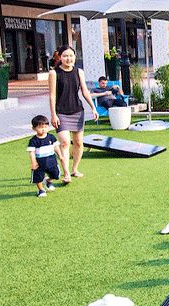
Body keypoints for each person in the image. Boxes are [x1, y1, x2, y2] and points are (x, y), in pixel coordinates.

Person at [48, 46, 98, 183]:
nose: (68, 58)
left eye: (71, 56)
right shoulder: (54, 73)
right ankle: (66, 173)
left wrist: (93, 107)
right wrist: (53, 115)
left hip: (77, 111)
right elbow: (52, 96)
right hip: (61, 112)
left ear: (75, 57)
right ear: (60, 57)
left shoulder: (79, 72)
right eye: (65, 56)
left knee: (78, 142)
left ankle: (74, 169)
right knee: (64, 142)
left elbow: (85, 91)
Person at [27, 115, 60, 198]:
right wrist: (33, 162)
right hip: (39, 163)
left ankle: (48, 181)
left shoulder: (51, 137)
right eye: (41, 127)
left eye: (45, 127)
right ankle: (41, 189)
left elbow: (56, 147)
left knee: (55, 174)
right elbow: (31, 152)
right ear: (34, 128)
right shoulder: (33, 140)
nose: (43, 129)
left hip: (51, 161)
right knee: (38, 177)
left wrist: (60, 155)